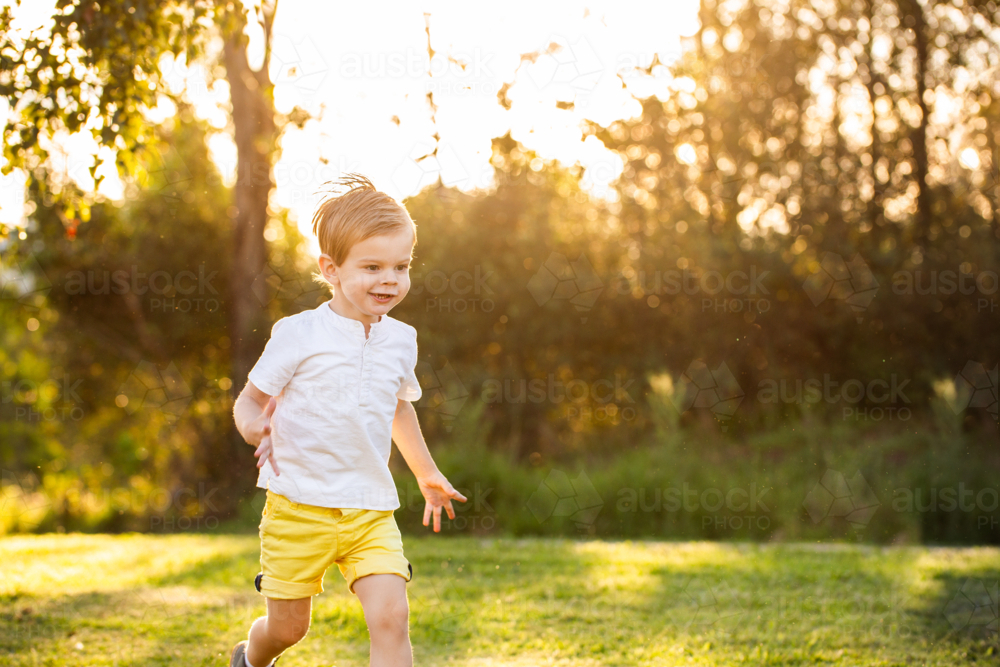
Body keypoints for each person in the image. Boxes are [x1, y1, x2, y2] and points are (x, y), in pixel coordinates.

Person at [229, 173, 467, 667]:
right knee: (288, 627)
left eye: (401, 266)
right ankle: (250, 660)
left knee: (390, 616)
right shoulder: (298, 334)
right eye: (373, 266)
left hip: (369, 509)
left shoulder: (402, 339)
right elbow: (248, 401)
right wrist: (256, 427)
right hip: (298, 506)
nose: (390, 279)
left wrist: (427, 474)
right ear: (331, 269)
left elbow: (398, 407)